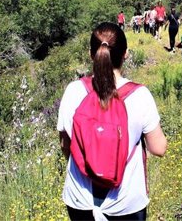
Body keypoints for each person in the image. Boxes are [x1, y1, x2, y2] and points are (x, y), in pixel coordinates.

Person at [57, 22, 167, 221]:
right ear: (125, 53)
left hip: (80, 200)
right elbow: (159, 148)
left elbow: (66, 145)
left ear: (92, 54)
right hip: (124, 203)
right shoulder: (140, 95)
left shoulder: (73, 91)